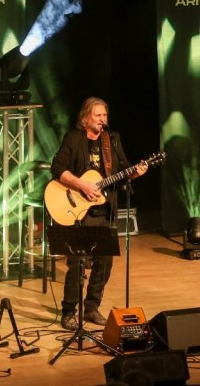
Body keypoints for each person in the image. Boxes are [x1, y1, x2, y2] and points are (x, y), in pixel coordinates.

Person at [50, 98, 148, 331]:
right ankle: (69, 311)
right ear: (86, 118)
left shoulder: (112, 140)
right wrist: (82, 185)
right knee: (76, 263)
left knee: (104, 262)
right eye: (98, 116)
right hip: (77, 210)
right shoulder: (73, 139)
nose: (103, 120)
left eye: (105, 115)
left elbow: (123, 169)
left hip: (104, 209)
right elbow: (57, 167)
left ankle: (92, 306)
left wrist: (135, 172)